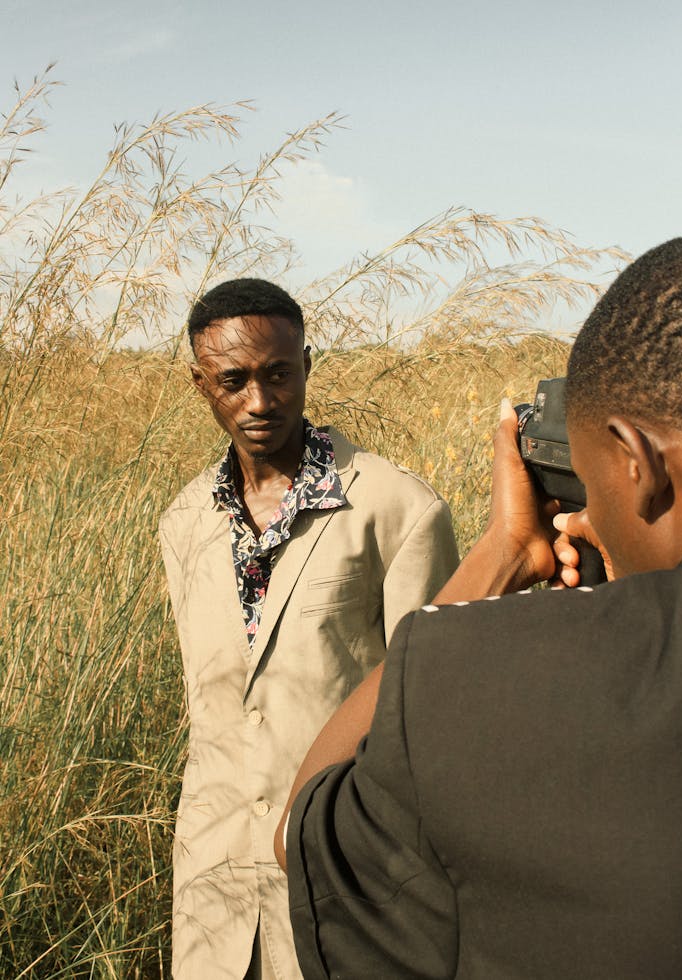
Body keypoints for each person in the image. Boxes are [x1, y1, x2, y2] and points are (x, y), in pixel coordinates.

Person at [275, 235, 682, 979]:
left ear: (637, 460)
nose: (589, 516)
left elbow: (303, 831)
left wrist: (502, 552)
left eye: (594, 486)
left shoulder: (474, 678)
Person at [158, 278, 459, 979]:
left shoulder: (396, 508)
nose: (260, 401)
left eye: (278, 374)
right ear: (201, 384)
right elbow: (213, 709)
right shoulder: (185, 522)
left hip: (347, 878)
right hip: (214, 890)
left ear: (307, 366)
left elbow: (430, 714)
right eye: (233, 381)